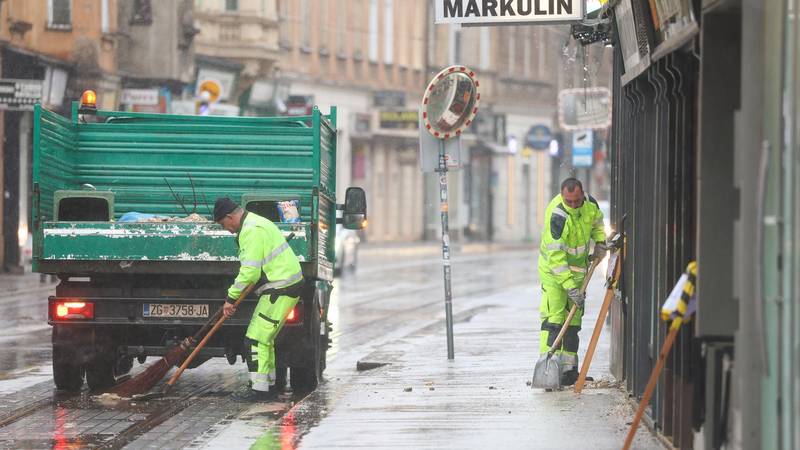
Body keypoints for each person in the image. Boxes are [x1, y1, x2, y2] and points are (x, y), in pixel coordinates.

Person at [214, 197, 304, 401]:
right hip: (283, 284)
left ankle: (259, 390)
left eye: (223, 224)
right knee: (265, 339)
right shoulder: (256, 221)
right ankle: (269, 386)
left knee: (255, 339)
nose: (226, 230)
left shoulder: (251, 230)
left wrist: (230, 298)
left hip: (279, 287)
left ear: (230, 217)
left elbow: (250, 273)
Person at [537, 178, 607, 386]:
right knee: (555, 321)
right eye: (570, 201)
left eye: (577, 201)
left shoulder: (590, 204)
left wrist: (601, 243)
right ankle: (549, 370)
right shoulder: (557, 215)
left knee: (573, 323)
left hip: (578, 274)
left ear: (582, 194)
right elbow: (556, 257)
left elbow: (597, 224)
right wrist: (569, 287)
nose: (574, 205)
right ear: (562, 196)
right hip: (554, 274)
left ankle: (569, 371)